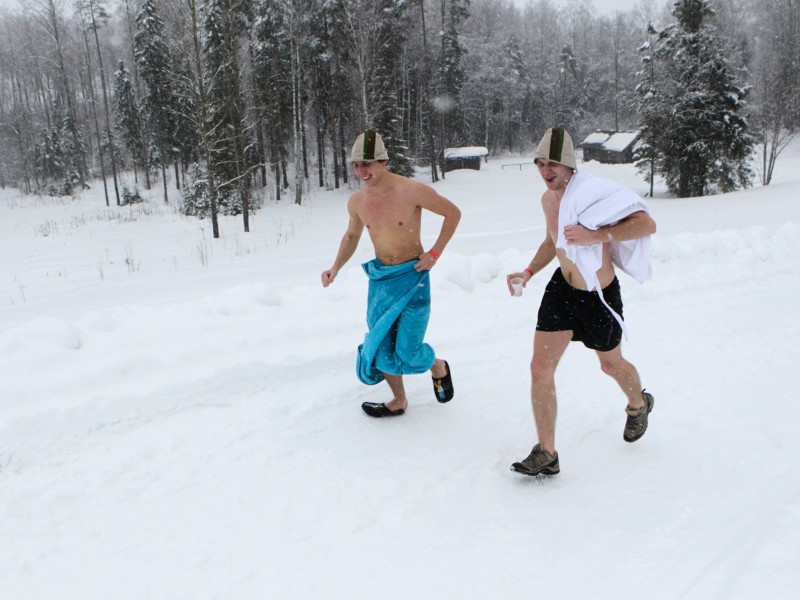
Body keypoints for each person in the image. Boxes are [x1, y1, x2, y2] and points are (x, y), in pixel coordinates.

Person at [507, 127, 656, 476]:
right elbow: (553, 242)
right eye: (540, 163)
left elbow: (646, 224)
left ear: (570, 165)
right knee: (539, 368)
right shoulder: (548, 201)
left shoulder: (594, 193)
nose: (546, 171)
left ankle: (639, 404)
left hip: (598, 296)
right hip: (562, 290)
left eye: (553, 164)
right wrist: (528, 272)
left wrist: (596, 235)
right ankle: (547, 452)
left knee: (611, 365)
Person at [321, 130, 461, 418]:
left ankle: (438, 366)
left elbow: (453, 213)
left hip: (414, 276)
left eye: (368, 164)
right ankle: (399, 400)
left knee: (408, 351)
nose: (361, 171)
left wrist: (434, 253)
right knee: (381, 344)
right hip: (382, 280)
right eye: (356, 165)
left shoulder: (412, 190)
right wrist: (335, 267)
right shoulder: (358, 202)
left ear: (384, 161)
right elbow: (351, 235)